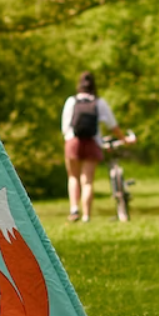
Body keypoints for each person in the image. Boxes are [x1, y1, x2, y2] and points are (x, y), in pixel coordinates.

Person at [61, 71, 134, 222]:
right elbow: (113, 125)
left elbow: (64, 127)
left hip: (73, 142)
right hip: (92, 143)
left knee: (73, 177)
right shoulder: (99, 102)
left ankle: (74, 209)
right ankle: (86, 216)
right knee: (87, 181)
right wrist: (124, 139)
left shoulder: (71, 101)